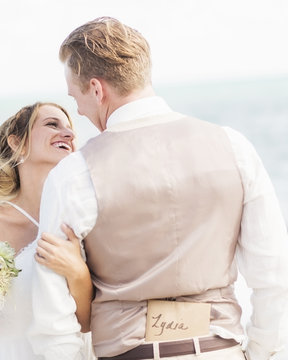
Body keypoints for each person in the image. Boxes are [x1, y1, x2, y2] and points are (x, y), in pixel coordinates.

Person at [28, 17, 288, 360]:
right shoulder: (234, 147)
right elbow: (273, 275)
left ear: (96, 89)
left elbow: (53, 317)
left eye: (75, 96)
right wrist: (260, 353)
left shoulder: (75, 174)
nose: (77, 109)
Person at [0, 102, 96, 359]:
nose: (69, 134)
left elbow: (90, 320)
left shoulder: (84, 217)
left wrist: (77, 271)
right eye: (52, 124)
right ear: (17, 143)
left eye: (69, 128)